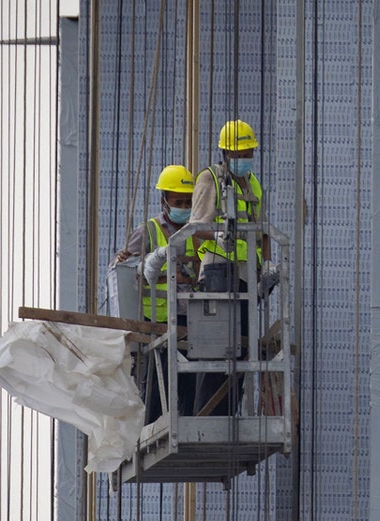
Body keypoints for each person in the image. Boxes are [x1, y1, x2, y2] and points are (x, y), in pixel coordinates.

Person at [189, 120, 274, 415]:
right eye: (239, 154)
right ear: (225, 153)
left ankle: (228, 416)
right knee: (216, 349)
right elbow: (195, 228)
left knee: (242, 349)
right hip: (218, 272)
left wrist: (267, 266)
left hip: (246, 275)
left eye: (248, 152)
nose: (244, 159)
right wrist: (218, 234)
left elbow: (263, 231)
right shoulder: (210, 179)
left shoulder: (253, 184)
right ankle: (206, 416)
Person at [113, 164, 200, 421]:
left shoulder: (198, 232)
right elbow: (124, 271)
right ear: (164, 200)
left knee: (191, 381)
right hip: (157, 321)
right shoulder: (148, 231)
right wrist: (122, 259)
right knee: (157, 381)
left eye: (188, 201)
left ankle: (187, 424)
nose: (184, 207)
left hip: (190, 317)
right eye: (178, 201)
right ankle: (148, 425)